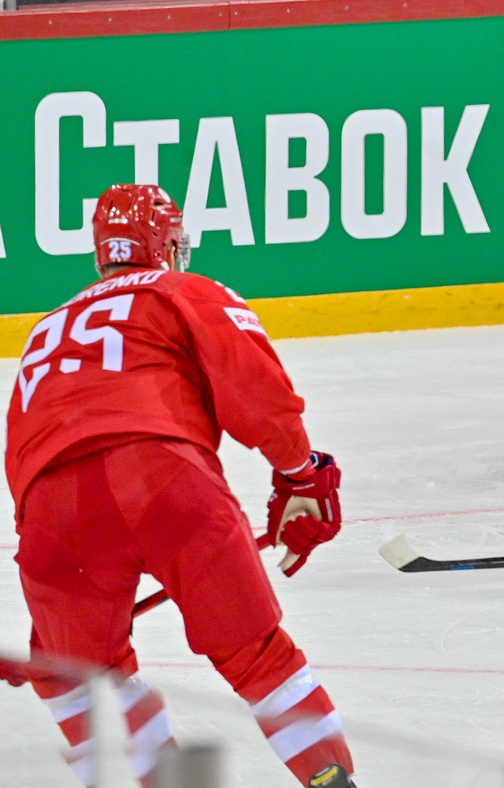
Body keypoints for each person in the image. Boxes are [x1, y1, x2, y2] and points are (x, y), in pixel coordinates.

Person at [6, 184, 356, 788]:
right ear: (167, 245)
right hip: (166, 483)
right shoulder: (183, 290)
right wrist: (300, 471)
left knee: (76, 678)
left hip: (52, 511)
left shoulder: (44, 332)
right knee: (258, 656)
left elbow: (23, 453)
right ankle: (330, 781)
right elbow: (257, 395)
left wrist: (61, 591)